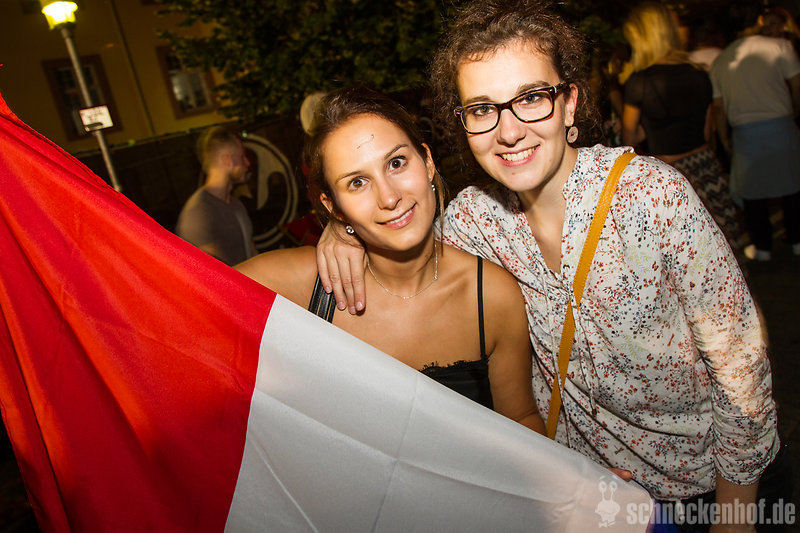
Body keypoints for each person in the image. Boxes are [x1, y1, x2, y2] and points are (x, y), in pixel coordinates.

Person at [316, 1, 786, 529]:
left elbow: (741, 365)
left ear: (569, 103)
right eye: (482, 109)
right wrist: (342, 231)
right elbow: (397, 221)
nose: (509, 131)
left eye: (531, 98)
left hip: (712, 486)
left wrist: (735, 513)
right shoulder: (474, 222)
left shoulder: (652, 196)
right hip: (594, 503)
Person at [235, 86, 545, 435]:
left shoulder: (490, 296)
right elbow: (188, 299)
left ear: (427, 162)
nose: (389, 197)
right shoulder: (302, 284)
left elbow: (520, 420)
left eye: (396, 163)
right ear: (333, 206)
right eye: (357, 183)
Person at [621, 1, 742, 260]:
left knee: (683, 257)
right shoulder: (699, 74)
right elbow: (706, 131)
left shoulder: (639, 81)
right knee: (721, 249)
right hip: (705, 167)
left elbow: (629, 138)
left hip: (669, 175)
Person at [711, 7, 800, 261]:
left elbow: (719, 106)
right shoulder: (780, 46)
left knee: (753, 190)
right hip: (779, 124)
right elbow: (797, 84)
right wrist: (795, 112)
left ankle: (763, 247)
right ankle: (797, 239)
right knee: (792, 183)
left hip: (744, 130)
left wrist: (724, 137)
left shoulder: (722, 59)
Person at [175, 126, 256, 266]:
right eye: (242, 157)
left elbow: (252, 253)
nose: (247, 163)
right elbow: (212, 271)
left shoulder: (236, 204)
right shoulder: (198, 212)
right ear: (227, 160)